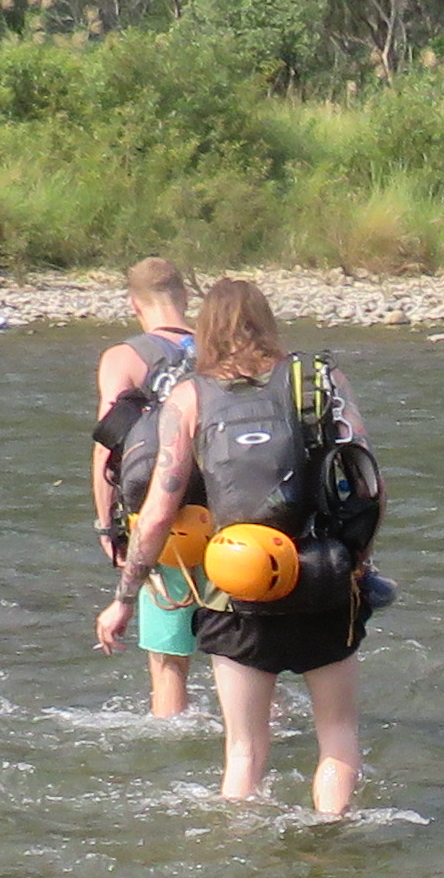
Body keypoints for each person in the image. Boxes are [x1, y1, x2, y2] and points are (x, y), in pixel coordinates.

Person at [92, 279, 376, 812]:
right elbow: (367, 483)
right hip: (322, 581)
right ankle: (331, 836)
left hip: (235, 587)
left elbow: (158, 511)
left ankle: (239, 847)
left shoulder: (189, 396)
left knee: (243, 752)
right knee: (338, 736)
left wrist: (124, 598)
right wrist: (358, 564)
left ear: (206, 328)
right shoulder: (318, 379)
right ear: (266, 321)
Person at [89, 256, 202, 721]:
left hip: (167, 522)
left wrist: (108, 527)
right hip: (236, 513)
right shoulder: (226, 347)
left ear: (134, 304)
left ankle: (172, 740)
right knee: (246, 657)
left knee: (169, 664)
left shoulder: (124, 357)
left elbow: (108, 446)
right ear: (186, 298)